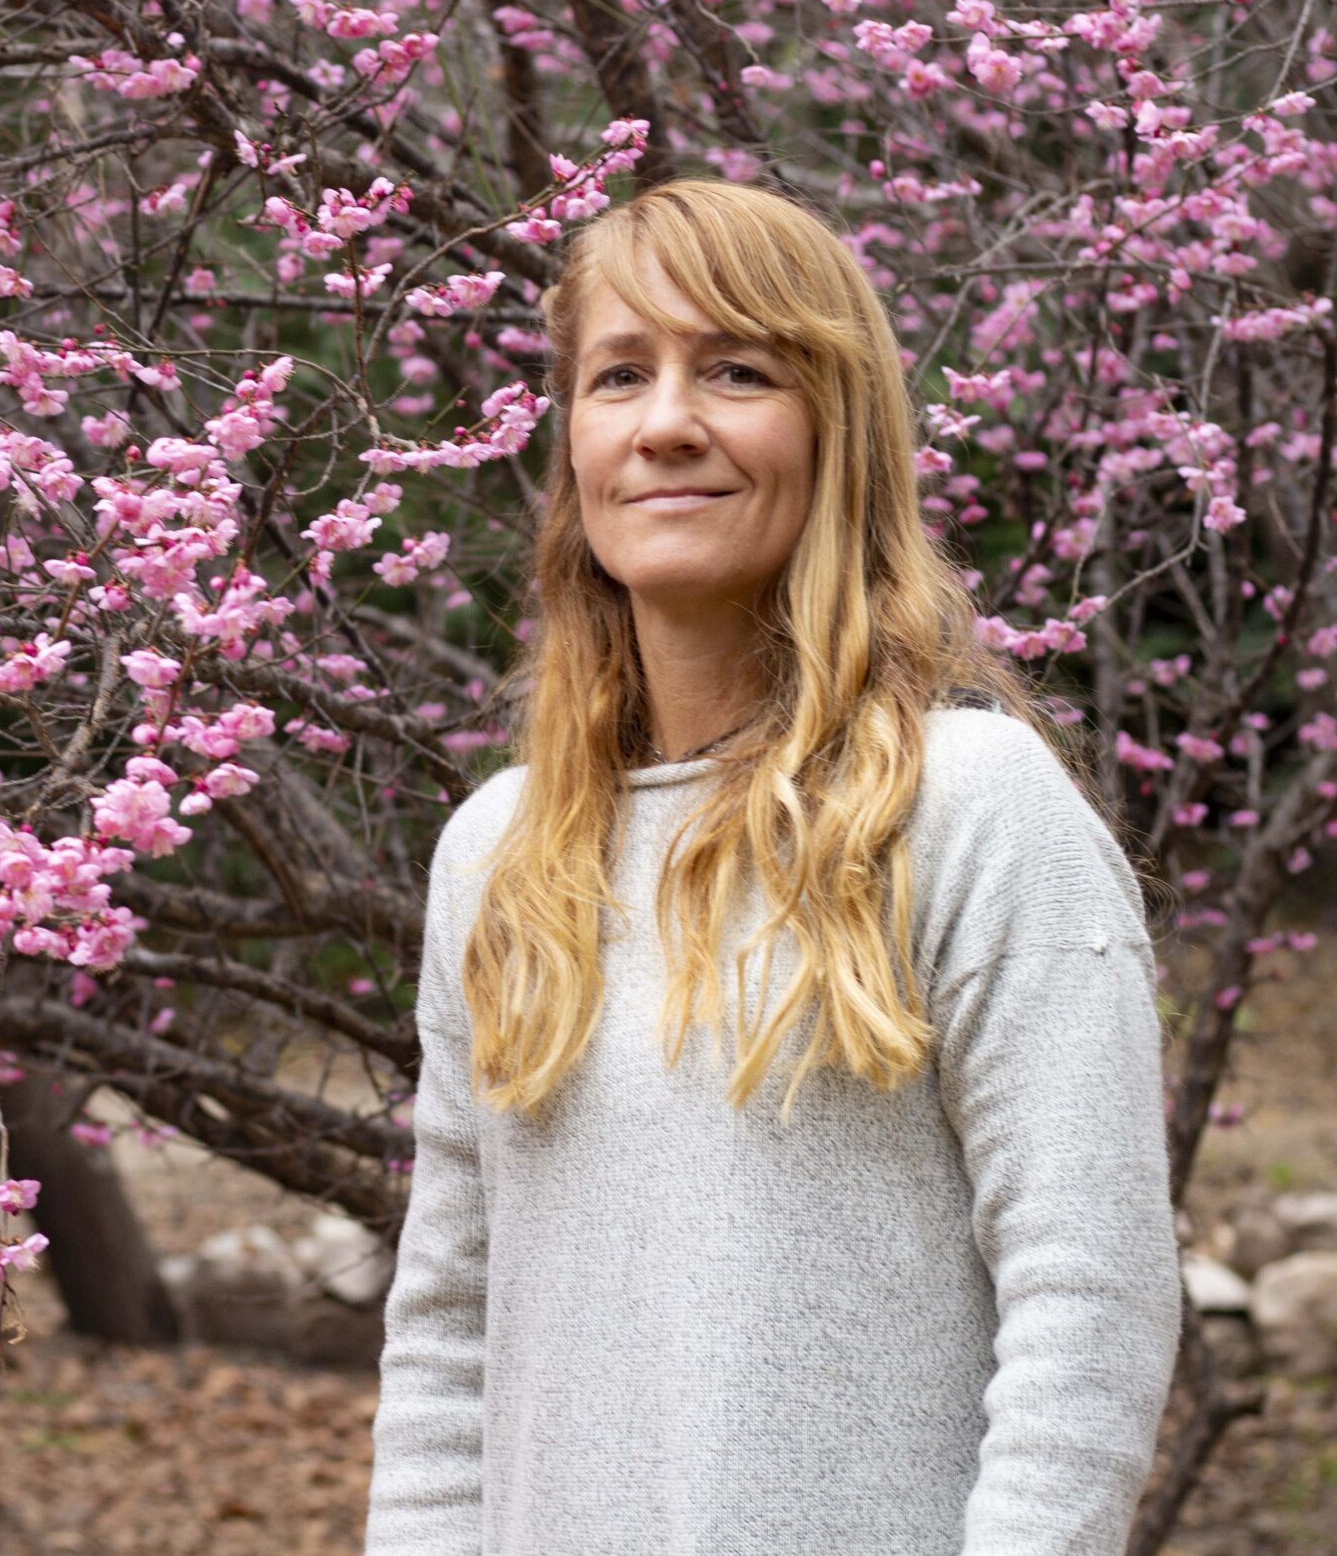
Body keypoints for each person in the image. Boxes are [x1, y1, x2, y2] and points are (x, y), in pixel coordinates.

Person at [363, 177, 1183, 1556]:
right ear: (574, 443)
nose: (667, 423)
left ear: (836, 429)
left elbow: (1089, 1306)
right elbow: (449, 1338)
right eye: (621, 374)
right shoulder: (498, 854)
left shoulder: (971, 809)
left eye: (737, 371)